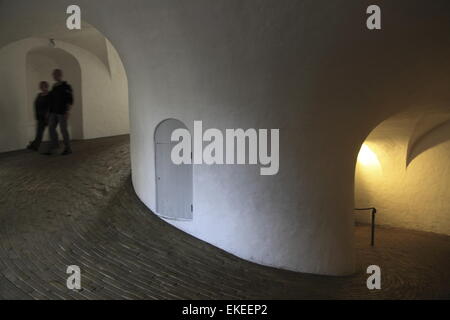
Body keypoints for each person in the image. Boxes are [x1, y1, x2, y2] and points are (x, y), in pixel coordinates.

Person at [47, 69, 74, 156]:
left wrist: (67, 111)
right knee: (51, 128)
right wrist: (49, 111)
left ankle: (68, 148)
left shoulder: (66, 86)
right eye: (53, 74)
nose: (53, 76)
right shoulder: (54, 87)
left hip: (62, 112)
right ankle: (55, 146)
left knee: (63, 130)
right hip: (53, 112)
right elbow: (51, 100)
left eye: (55, 74)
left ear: (59, 75)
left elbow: (70, 100)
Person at [27, 81, 51, 151]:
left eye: (43, 86)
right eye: (41, 86)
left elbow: (50, 106)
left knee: (45, 132)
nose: (41, 87)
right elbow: (36, 104)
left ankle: (36, 146)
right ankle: (35, 145)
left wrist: (48, 114)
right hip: (40, 116)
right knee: (39, 132)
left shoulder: (49, 95)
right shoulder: (39, 95)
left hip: (47, 117)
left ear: (46, 86)